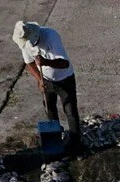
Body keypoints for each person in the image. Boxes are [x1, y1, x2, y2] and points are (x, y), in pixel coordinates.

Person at [12, 21, 81, 154]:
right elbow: (29, 63)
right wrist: (39, 80)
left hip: (65, 79)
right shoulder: (25, 43)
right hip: (47, 81)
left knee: (70, 111)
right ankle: (54, 141)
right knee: (50, 110)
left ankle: (75, 143)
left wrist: (46, 62)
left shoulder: (51, 36)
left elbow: (64, 63)